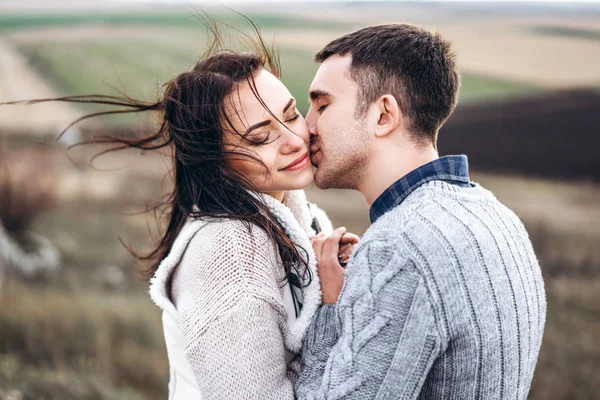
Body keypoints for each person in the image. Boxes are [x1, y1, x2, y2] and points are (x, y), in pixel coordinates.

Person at [2, 22, 359, 399]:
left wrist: (340, 275)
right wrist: (331, 311)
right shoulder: (231, 252)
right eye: (260, 137)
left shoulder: (301, 218)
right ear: (216, 159)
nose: (294, 140)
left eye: (290, 115)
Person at [296, 24, 547, 399]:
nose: (306, 126)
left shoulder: (399, 246)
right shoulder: (498, 215)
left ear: (383, 115)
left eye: (322, 105)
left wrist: (329, 311)